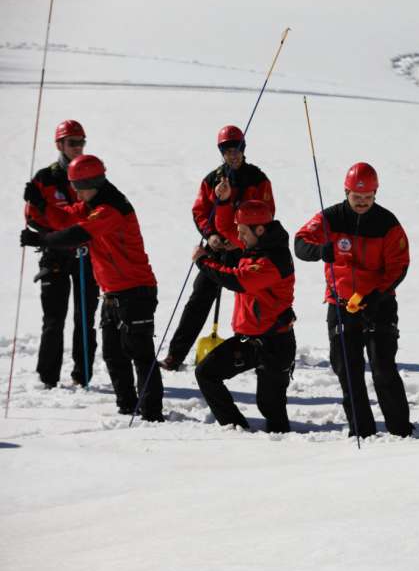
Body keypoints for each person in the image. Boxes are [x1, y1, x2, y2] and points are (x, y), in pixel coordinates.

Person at [20, 155, 163, 421]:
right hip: (111, 293)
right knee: (112, 353)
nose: (74, 191)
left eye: (77, 186)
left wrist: (41, 239)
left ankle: (152, 414)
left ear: (92, 182)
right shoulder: (91, 203)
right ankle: (127, 407)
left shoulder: (111, 209)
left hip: (136, 291)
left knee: (140, 354)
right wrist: (41, 204)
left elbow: (77, 234)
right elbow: (64, 219)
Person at [294, 162, 414, 438]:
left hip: (378, 303)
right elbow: (300, 242)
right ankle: (362, 431)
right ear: (346, 191)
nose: (362, 202)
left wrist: (378, 294)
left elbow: (399, 265)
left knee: (382, 366)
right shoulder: (331, 218)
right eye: (357, 197)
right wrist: (319, 250)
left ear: (376, 193)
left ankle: (400, 429)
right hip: (340, 304)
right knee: (348, 369)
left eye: (368, 197)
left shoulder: (387, 223)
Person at [159, 125, 275, 371]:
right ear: (221, 151)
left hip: (247, 250)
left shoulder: (258, 179)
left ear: (244, 149)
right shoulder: (212, 180)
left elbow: (267, 213)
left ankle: (261, 353)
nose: (233, 154)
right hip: (218, 249)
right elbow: (200, 211)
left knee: (253, 301)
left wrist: (241, 239)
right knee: (198, 299)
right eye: (227, 150)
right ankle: (175, 355)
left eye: (237, 149)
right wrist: (210, 235)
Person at [192, 200, 296, 432]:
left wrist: (203, 261)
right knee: (206, 373)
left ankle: (283, 450)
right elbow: (226, 228)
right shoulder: (255, 243)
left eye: (243, 232)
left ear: (259, 229)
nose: (238, 237)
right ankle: (236, 430)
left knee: (270, 407)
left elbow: (237, 280)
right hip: (248, 339)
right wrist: (225, 201)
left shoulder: (273, 259)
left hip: (275, 343)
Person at [22, 120, 99, 388]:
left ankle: (83, 374)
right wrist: (51, 230)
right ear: (59, 144)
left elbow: (92, 219)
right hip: (55, 256)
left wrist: (62, 226)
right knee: (53, 319)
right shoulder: (44, 178)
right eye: (72, 142)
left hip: (87, 257)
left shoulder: (92, 173)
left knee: (85, 317)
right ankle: (47, 377)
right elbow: (33, 218)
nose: (77, 147)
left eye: (81, 142)